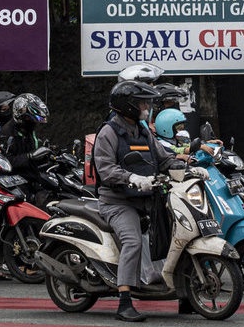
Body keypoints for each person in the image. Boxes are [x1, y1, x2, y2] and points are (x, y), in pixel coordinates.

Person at [93, 80, 184, 322]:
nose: (147, 106)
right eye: (143, 102)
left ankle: (186, 295)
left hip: (147, 199)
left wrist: (188, 166)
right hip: (117, 202)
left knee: (178, 232)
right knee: (132, 241)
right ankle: (124, 302)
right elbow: (106, 170)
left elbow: (164, 159)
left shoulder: (144, 131)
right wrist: (132, 177)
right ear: (128, 105)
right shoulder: (108, 133)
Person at [0, 93, 50, 190]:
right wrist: (29, 156)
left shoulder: (30, 131)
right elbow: (5, 162)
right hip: (16, 181)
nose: (34, 124)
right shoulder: (8, 133)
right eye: (30, 120)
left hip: (33, 176)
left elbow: (35, 152)